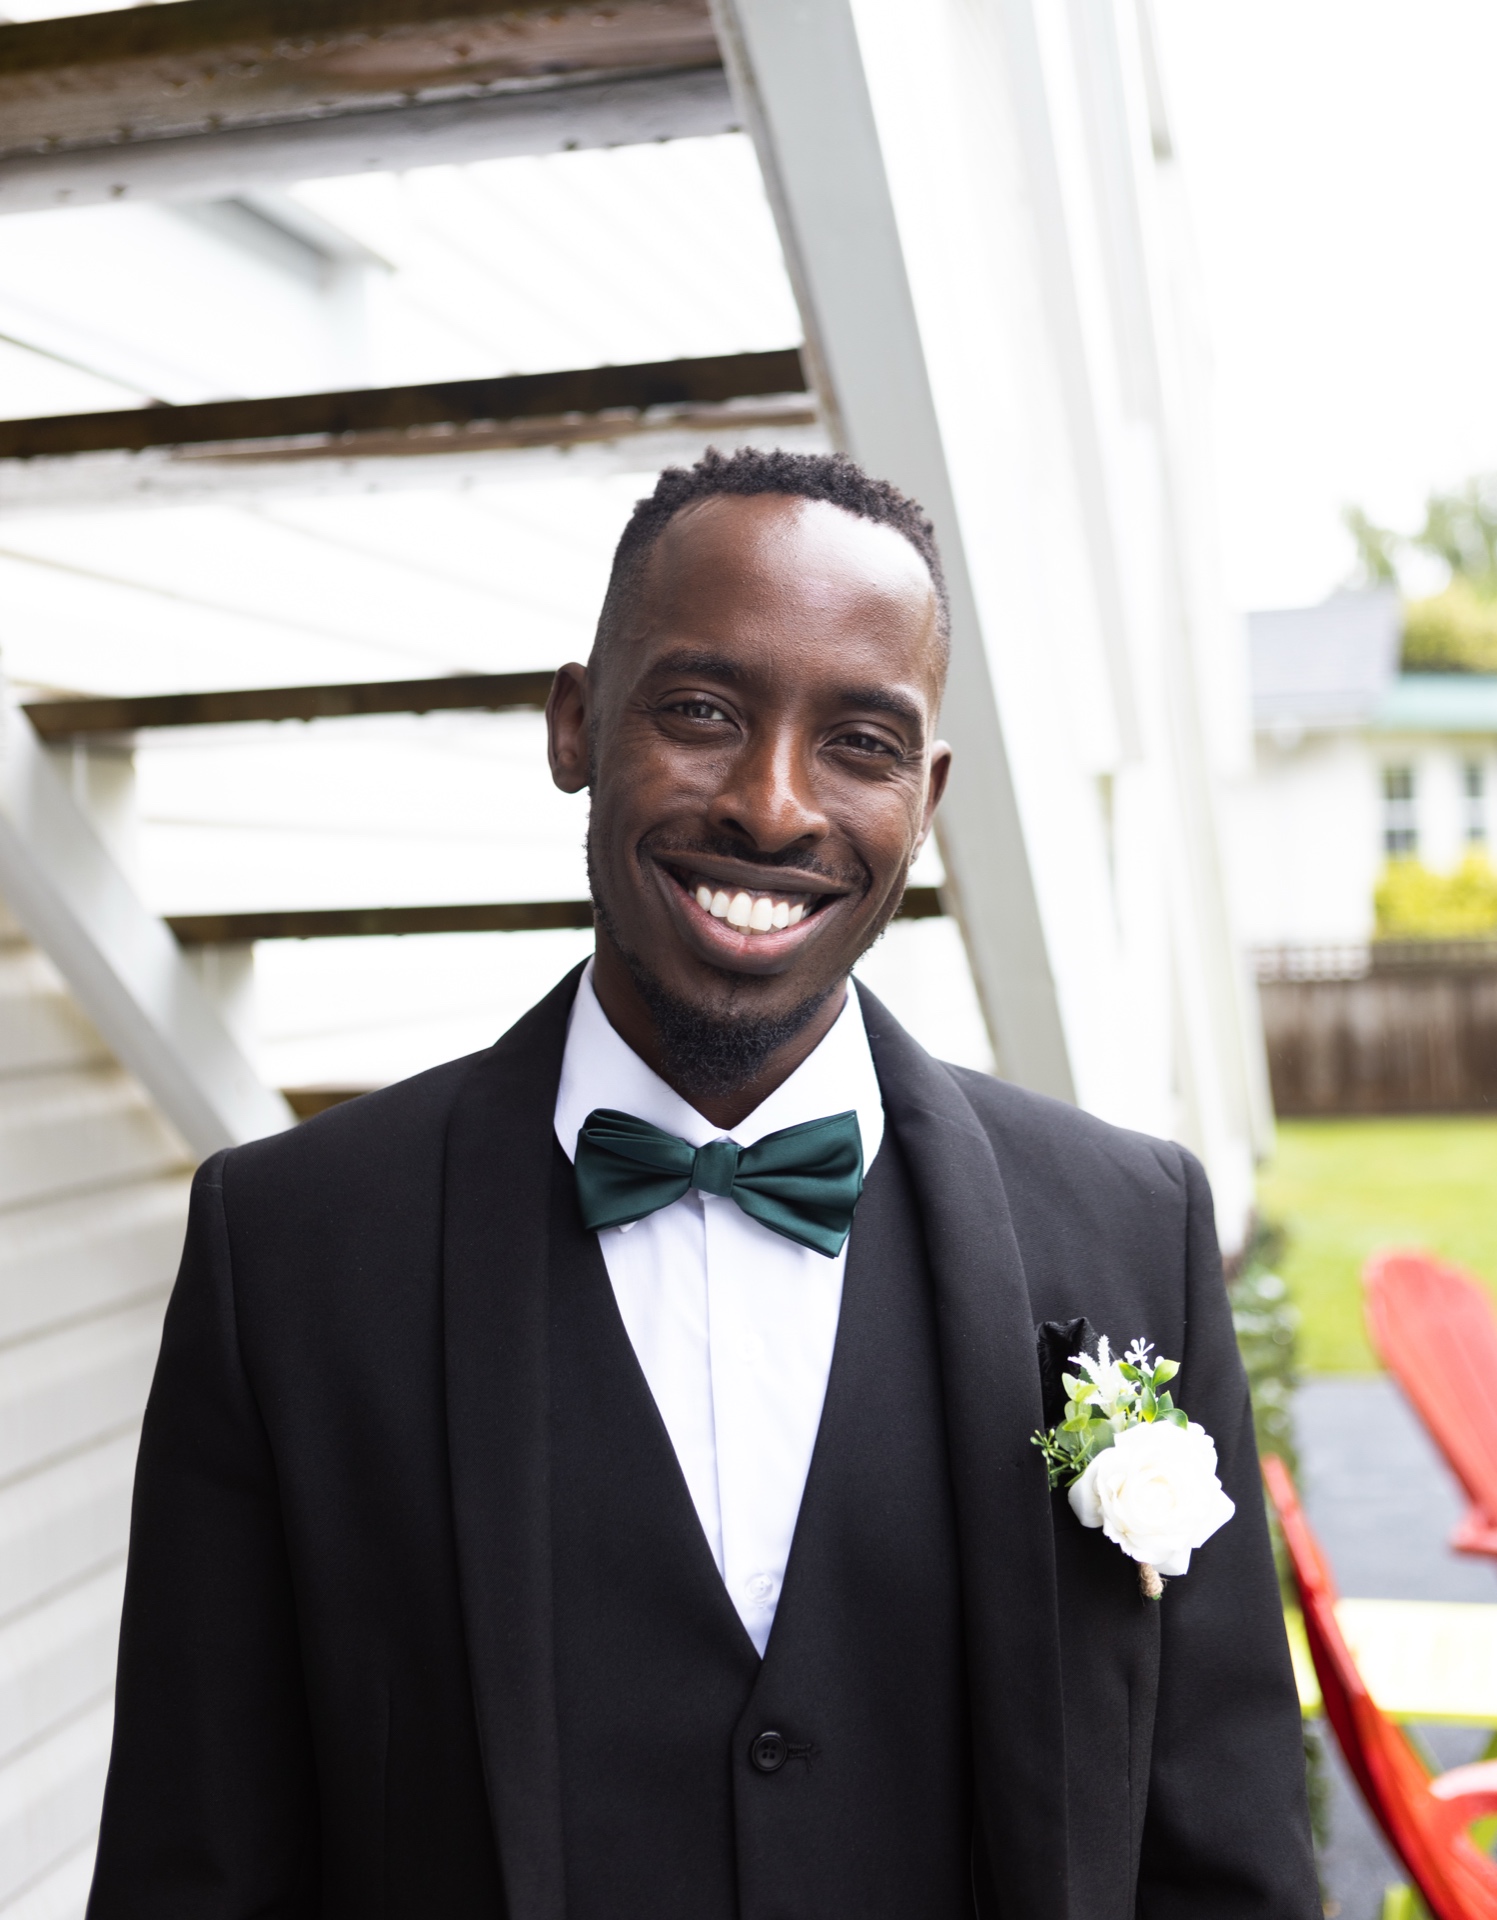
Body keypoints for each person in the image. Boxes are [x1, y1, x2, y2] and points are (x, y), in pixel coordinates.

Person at [88, 449, 1319, 1919]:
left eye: (859, 742)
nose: (772, 804)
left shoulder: (1131, 1230)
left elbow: (1226, 1862)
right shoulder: (285, 1252)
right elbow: (194, 1867)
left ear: (922, 799)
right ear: (574, 724)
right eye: (700, 712)